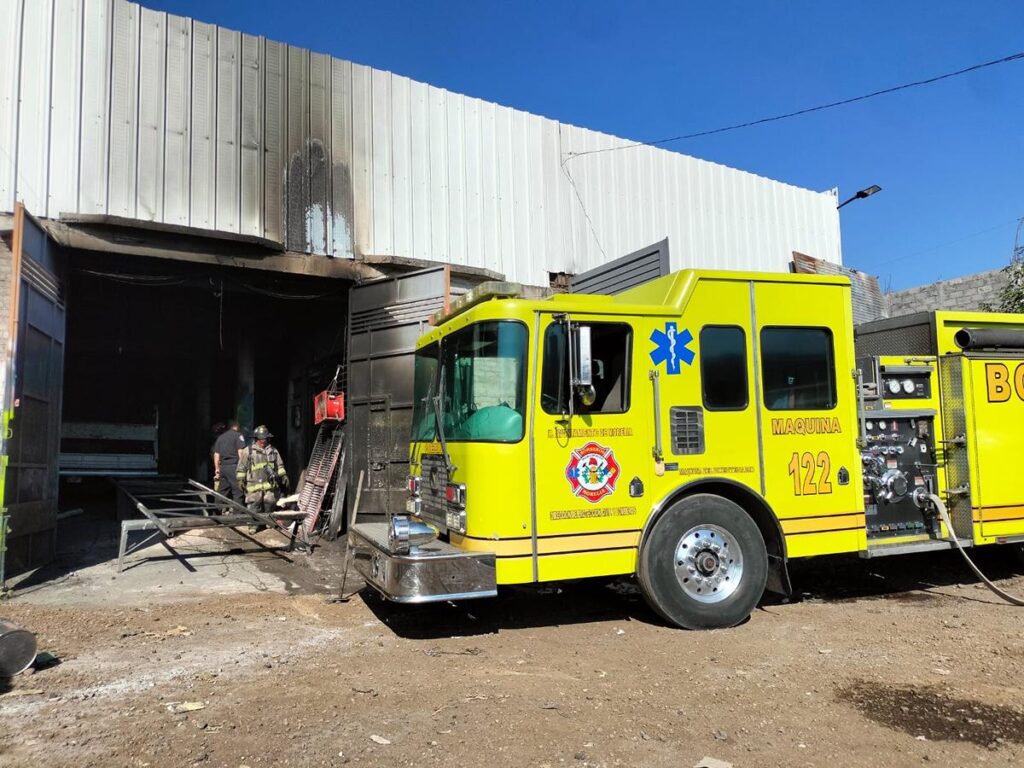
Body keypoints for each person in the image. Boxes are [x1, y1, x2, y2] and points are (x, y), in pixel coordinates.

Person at [236, 424, 289, 516]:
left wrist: (283, 475)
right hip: (253, 485)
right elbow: (241, 467)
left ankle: (269, 523)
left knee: (270, 503)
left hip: (269, 486)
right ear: (256, 439)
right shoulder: (248, 451)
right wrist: (240, 479)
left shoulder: (273, 451)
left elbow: (279, 465)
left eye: (265, 439)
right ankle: (253, 526)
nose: (263, 441)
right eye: (261, 439)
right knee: (254, 505)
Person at [212, 420, 246, 501]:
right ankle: (238, 512)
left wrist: (217, 469)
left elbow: (216, 455)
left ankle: (217, 510)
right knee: (238, 491)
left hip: (223, 468)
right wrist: (242, 467)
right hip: (234, 467)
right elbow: (240, 452)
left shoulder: (221, 437)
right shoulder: (238, 435)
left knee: (222, 491)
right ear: (236, 426)